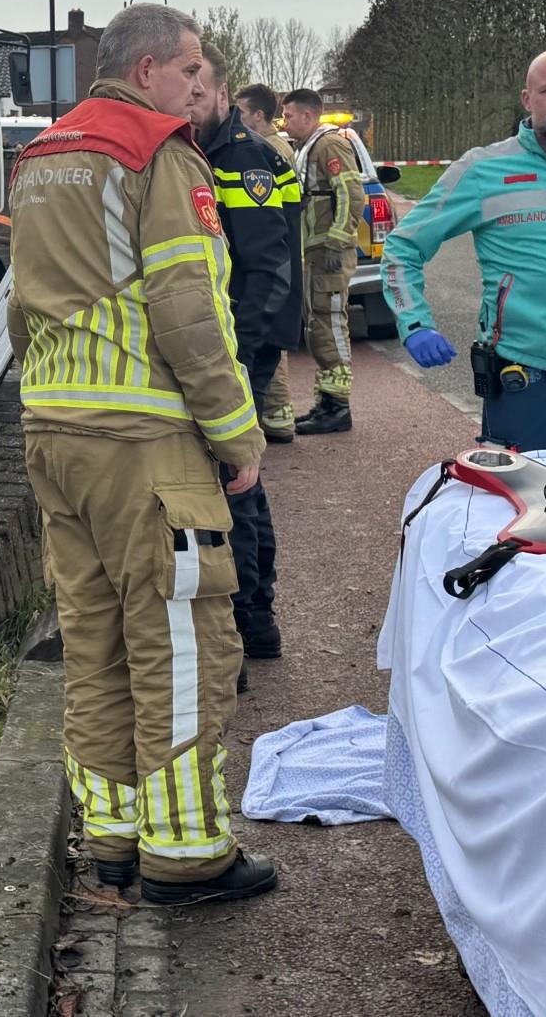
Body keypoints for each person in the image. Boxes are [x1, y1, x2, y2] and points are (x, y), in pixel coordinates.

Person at [5, 4, 276, 904]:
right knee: (181, 641)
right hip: (145, 439)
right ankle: (188, 854)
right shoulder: (157, 154)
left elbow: (22, 306)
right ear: (151, 67)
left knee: (96, 641)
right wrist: (237, 433)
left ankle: (114, 838)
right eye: (192, 69)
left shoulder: (41, 158)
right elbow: (191, 310)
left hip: (56, 431)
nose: (199, 87)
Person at [382, 46, 546, 450]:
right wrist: (415, 324)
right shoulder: (483, 170)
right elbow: (403, 248)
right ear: (528, 100)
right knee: (527, 508)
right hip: (527, 380)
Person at [191, 44, 300, 687]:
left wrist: (241, 358)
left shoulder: (244, 158)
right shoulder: (203, 151)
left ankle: (250, 615)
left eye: (199, 91)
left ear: (222, 94)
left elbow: (266, 269)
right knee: (237, 476)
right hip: (231, 343)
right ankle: (252, 622)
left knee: (237, 478)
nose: (190, 101)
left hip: (243, 345)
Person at [282, 87, 365, 435]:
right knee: (318, 325)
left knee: (329, 324)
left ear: (308, 116)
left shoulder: (329, 145)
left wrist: (337, 240)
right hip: (314, 251)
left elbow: (351, 191)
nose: (285, 122)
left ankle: (337, 407)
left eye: (289, 116)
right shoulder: (308, 147)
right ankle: (327, 403)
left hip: (326, 251)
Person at [234, 84, 304, 444]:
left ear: (257, 115)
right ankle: (278, 416)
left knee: (269, 348)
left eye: (242, 112)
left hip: (279, 263)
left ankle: (276, 419)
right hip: (284, 260)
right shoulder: (273, 148)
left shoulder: (266, 151)